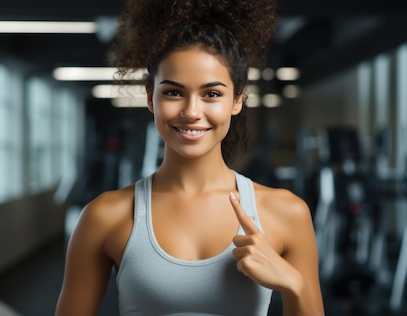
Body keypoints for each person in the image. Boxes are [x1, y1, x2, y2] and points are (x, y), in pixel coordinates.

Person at [56, 0, 324, 315]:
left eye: (212, 94)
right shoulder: (105, 217)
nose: (192, 112)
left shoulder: (286, 213)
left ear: (237, 99)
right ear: (149, 97)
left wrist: (292, 283)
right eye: (173, 92)